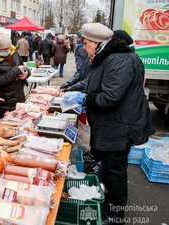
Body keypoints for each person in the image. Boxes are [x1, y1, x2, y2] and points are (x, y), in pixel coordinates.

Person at [82, 23, 153, 224]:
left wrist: (86, 99)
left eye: (85, 42)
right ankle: (107, 203)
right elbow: (95, 83)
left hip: (118, 126)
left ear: (96, 43)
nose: (83, 46)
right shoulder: (108, 57)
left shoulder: (118, 60)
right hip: (110, 125)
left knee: (116, 173)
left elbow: (109, 97)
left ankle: (115, 216)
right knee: (109, 169)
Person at [0, 34, 30, 120]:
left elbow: (23, 66)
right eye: (4, 49)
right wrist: (16, 71)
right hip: (5, 103)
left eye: (8, 48)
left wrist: (27, 73)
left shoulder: (14, 53)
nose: (7, 51)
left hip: (20, 98)